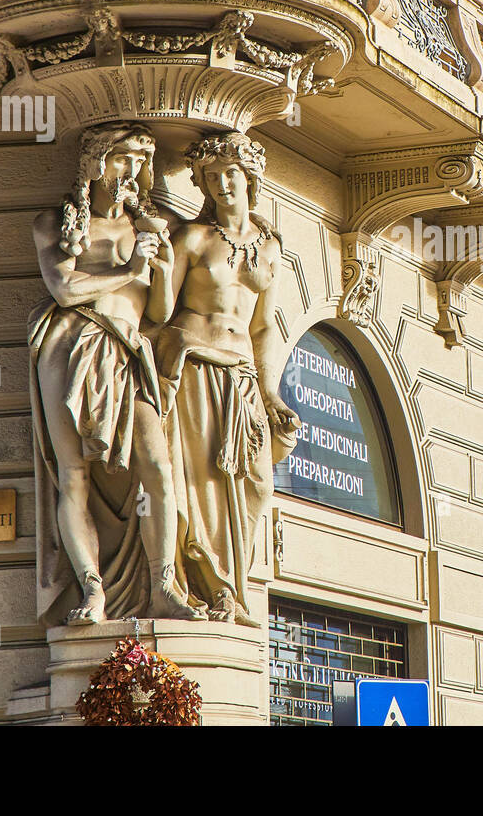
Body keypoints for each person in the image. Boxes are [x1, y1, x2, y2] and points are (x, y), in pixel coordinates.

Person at [29, 121, 204, 626]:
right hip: (69, 343)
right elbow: (64, 290)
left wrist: (164, 266)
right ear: (94, 162)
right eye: (122, 158)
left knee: (158, 466)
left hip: (129, 349)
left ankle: (164, 584)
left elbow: (161, 313)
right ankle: (92, 589)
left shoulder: (146, 227)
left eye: (139, 162)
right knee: (74, 474)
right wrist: (130, 270)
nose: (131, 172)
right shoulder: (54, 223)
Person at [147, 131, 299, 626]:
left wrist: (273, 393)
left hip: (242, 376)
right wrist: (154, 264)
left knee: (256, 482)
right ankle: (215, 592)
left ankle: (235, 583)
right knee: (203, 481)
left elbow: (265, 327)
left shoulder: (269, 247)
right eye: (211, 178)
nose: (221, 185)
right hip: (194, 367)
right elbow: (161, 313)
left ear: (250, 177)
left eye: (230, 174)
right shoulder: (192, 238)